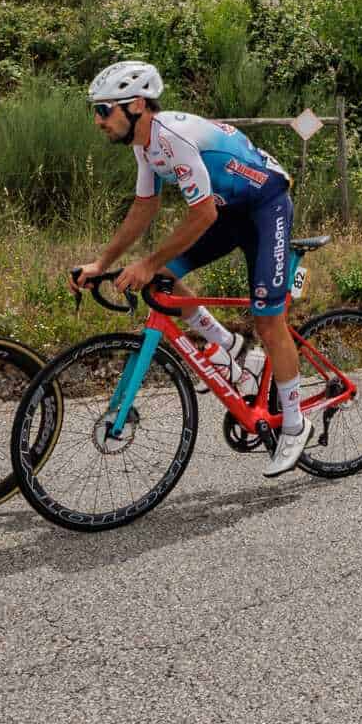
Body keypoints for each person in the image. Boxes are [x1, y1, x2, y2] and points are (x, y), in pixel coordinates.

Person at [70, 59, 315, 477]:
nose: (97, 120)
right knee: (165, 280)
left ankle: (295, 424)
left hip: (265, 205)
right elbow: (144, 207)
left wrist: (147, 262)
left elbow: (201, 216)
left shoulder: (172, 138)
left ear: (136, 106)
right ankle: (230, 346)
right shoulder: (144, 144)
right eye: (96, 110)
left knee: (268, 318)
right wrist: (102, 264)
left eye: (103, 109)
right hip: (229, 211)